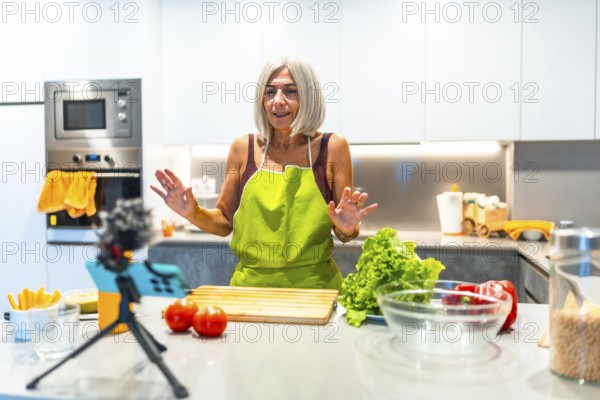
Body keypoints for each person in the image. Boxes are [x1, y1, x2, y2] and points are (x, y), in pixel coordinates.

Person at [151, 56, 378, 291]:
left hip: (315, 290)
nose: (277, 101)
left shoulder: (332, 148)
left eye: (290, 91)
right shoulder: (243, 149)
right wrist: (193, 212)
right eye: (270, 92)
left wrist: (347, 228)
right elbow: (224, 222)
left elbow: (344, 231)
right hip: (250, 290)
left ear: (309, 98)